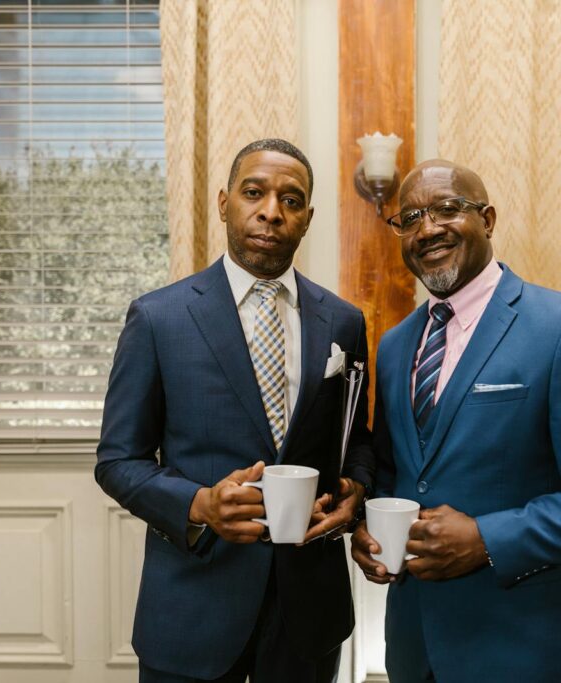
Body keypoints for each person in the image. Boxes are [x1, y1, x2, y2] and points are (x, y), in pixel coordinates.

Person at [351, 159, 561, 682]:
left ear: (487, 219)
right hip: (413, 646)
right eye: (411, 218)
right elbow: (396, 470)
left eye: (448, 209)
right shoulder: (398, 343)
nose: (428, 229)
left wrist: (487, 539)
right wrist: (366, 529)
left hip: (525, 647)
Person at [96, 139, 372, 683]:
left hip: (309, 613)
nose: (272, 210)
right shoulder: (158, 319)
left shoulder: (343, 322)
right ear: (225, 203)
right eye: (255, 193)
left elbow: (356, 438)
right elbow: (117, 461)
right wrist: (198, 503)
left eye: (291, 200)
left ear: (308, 217)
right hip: (193, 607)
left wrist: (356, 492)